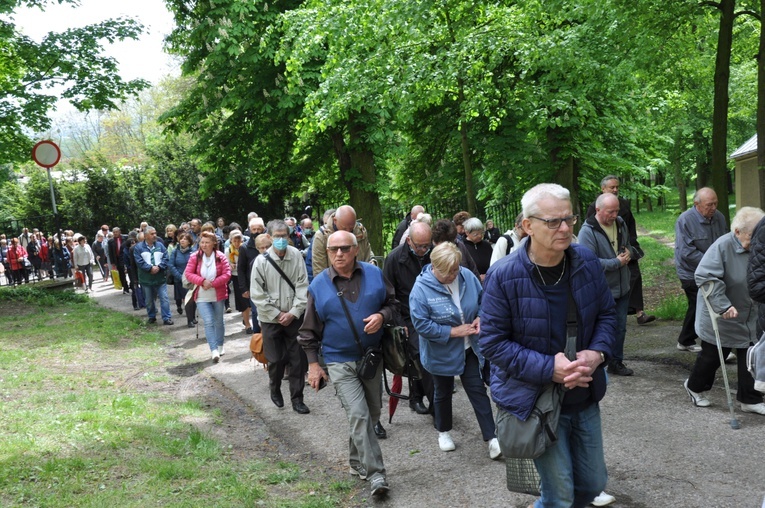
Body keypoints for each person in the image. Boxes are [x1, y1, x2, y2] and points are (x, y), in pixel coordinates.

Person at [480, 183, 615, 507]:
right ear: (528, 226)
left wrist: (597, 354)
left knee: (593, 483)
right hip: (535, 401)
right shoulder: (503, 276)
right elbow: (492, 343)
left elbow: (607, 314)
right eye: (553, 221)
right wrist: (548, 368)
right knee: (559, 494)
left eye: (569, 218)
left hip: (584, 394)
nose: (566, 228)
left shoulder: (585, 261)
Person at [298, 230, 398, 498]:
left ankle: (356, 461)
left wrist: (381, 314)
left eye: (344, 248)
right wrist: (313, 365)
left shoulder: (374, 274)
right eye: (333, 250)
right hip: (338, 360)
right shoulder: (318, 286)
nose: (339, 254)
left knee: (372, 413)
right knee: (359, 414)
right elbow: (308, 332)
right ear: (327, 252)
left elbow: (393, 304)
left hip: (371, 358)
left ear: (355, 249)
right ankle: (376, 474)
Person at [409, 242, 500, 459]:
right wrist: (453, 332)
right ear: (434, 267)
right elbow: (421, 325)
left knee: (477, 389)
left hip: (469, 347)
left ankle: (492, 437)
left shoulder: (466, 276)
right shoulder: (421, 289)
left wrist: (480, 317)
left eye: (456, 269)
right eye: (448, 271)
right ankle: (444, 431)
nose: (453, 274)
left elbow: (483, 301)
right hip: (441, 351)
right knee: (442, 392)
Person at [685, 207, 765, 414]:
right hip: (723, 316)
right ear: (738, 232)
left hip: (750, 314)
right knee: (712, 357)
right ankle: (694, 387)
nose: (757, 240)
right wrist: (723, 305)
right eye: (752, 235)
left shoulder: (759, 246)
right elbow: (705, 276)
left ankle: (749, 399)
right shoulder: (722, 246)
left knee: (750, 355)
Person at [251, 220, 310, 414]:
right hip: (271, 319)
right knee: (275, 360)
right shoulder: (261, 262)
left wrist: (294, 312)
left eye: (284, 235)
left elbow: (303, 286)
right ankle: (274, 388)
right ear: (269, 237)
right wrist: (277, 314)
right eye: (277, 236)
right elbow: (258, 294)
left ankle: (297, 399)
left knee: (297, 360)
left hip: (294, 317)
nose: (281, 240)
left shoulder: (296, 257)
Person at [578, 193, 636, 376]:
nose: (614, 215)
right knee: (601, 327)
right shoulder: (587, 231)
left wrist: (629, 253)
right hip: (602, 290)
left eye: (617, 211)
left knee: (621, 326)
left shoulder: (620, 223)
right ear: (598, 210)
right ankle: (598, 360)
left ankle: (616, 362)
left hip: (623, 286)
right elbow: (588, 262)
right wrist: (616, 263)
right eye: (610, 212)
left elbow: (628, 246)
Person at [586, 175, 655, 325]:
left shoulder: (623, 204)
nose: (615, 190)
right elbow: (592, 230)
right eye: (612, 187)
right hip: (606, 253)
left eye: (617, 187)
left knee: (634, 275)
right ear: (603, 189)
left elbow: (629, 226)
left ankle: (639, 312)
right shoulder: (594, 207)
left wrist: (630, 247)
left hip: (625, 247)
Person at [383, 222, 435, 417]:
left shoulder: (433, 253)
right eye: (419, 246)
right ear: (408, 240)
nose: (423, 250)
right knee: (421, 354)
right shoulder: (395, 258)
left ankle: (425, 396)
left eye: (426, 245)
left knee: (433, 354)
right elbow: (389, 295)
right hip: (406, 315)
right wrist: (399, 323)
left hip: (431, 311)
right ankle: (429, 402)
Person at [674, 187, 727, 352]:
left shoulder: (719, 217)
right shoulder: (685, 220)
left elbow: (725, 242)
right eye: (709, 205)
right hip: (690, 272)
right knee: (702, 304)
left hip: (715, 271)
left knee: (698, 305)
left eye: (715, 204)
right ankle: (712, 347)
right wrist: (711, 263)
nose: (713, 208)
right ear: (697, 204)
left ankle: (686, 339)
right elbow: (686, 252)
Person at [185, 231, 231, 362]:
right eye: (202, 242)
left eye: (207, 242)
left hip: (218, 293)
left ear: (214, 244)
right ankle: (214, 350)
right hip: (201, 295)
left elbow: (227, 274)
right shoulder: (194, 257)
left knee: (218, 321)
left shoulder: (221, 256)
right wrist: (202, 281)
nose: (204, 245)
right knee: (209, 321)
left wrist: (213, 284)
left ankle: (220, 344)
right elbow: (188, 273)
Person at [312, 205, 373, 276]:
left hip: (360, 279)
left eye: (351, 228)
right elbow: (319, 271)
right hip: (333, 282)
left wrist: (373, 261)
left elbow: (368, 254)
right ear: (335, 221)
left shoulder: (360, 231)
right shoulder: (322, 236)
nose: (348, 232)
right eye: (344, 229)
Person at [133, 226, 174, 326]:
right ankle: (152, 317)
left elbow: (166, 258)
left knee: (164, 298)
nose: (155, 235)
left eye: (155, 233)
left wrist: (159, 267)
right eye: (152, 234)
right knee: (149, 300)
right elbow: (139, 262)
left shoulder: (160, 245)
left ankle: (166, 318)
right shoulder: (138, 247)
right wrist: (150, 268)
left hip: (160, 278)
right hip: (146, 279)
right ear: (146, 235)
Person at [238, 217, 266, 334]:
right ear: (250, 230)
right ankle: (257, 337)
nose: (256, 231)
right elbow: (241, 269)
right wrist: (243, 288)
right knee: (255, 312)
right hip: (252, 285)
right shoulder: (244, 248)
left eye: (259, 229)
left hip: (269, 284)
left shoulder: (269, 245)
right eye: (254, 229)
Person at [169, 232, 197, 326]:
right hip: (179, 280)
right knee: (183, 299)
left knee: (192, 299)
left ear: (189, 242)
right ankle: (189, 319)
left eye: (185, 239)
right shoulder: (175, 251)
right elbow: (171, 265)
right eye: (181, 238)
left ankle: (191, 318)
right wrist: (180, 276)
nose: (182, 240)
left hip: (191, 280)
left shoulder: (193, 252)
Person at [226, 230, 250, 333]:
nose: (237, 243)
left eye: (239, 240)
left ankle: (247, 319)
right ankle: (247, 324)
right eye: (234, 241)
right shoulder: (228, 251)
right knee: (242, 300)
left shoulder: (245, 249)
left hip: (246, 275)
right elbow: (226, 264)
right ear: (231, 241)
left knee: (249, 300)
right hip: (236, 276)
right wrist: (230, 266)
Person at [462, 217, 493, 282]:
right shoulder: (463, 247)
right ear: (467, 233)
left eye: (481, 233)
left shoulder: (486, 245)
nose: (480, 236)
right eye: (476, 234)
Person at [108, 227, 129, 293]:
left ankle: (131, 285)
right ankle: (125, 287)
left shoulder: (125, 238)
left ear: (120, 232)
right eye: (114, 232)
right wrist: (112, 262)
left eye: (116, 232)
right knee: (121, 274)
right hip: (117, 259)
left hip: (126, 257)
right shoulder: (110, 241)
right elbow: (110, 252)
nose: (115, 233)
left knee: (130, 271)